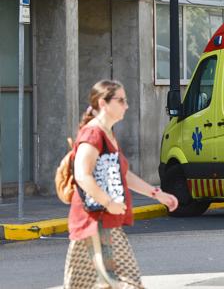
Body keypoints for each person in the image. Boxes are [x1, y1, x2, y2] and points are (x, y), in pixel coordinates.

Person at [64, 79, 179, 288]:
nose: (126, 105)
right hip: (94, 222)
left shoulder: (108, 133)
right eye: (121, 100)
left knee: (101, 284)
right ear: (103, 103)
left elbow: (123, 174)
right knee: (125, 282)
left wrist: (157, 193)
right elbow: (82, 175)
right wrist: (108, 202)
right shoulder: (93, 133)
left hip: (106, 221)